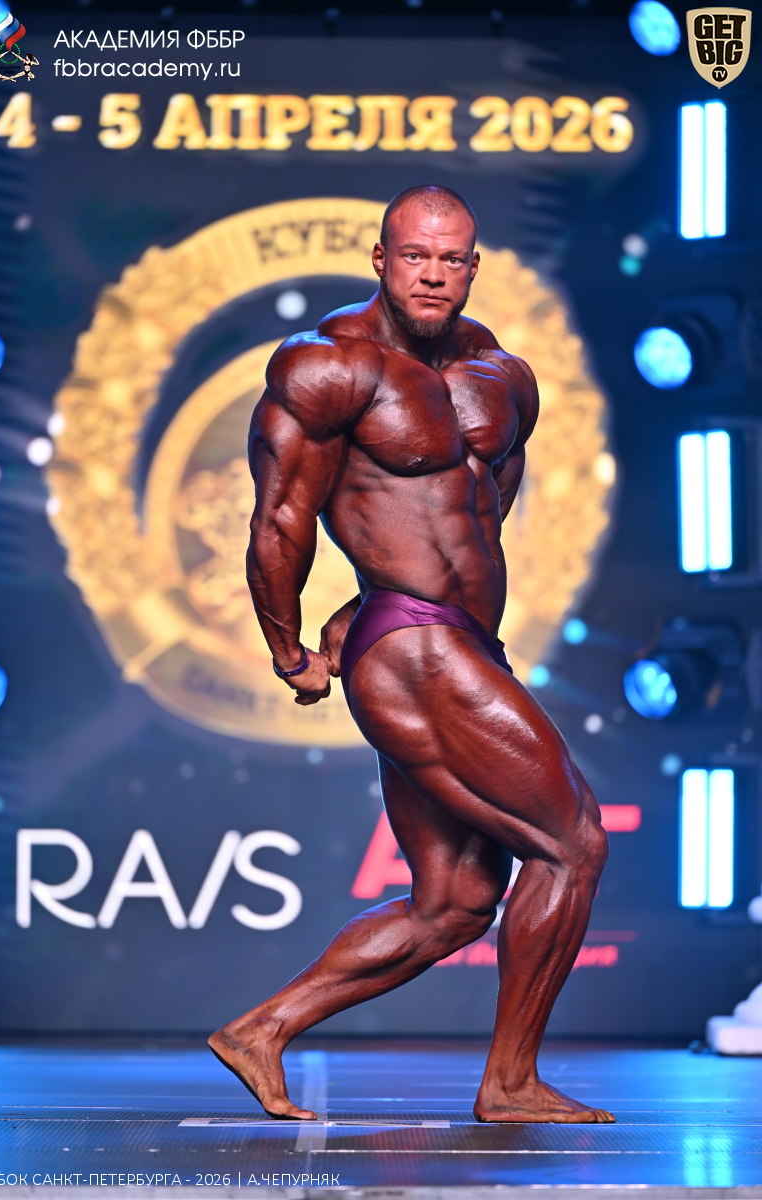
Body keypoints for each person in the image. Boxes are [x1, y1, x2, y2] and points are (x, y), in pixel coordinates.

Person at [209, 185, 613, 1125]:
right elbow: (280, 519)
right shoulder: (329, 365)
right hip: (413, 650)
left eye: (452, 259)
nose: (433, 274)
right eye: (416, 256)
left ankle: (262, 1029)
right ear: (381, 260)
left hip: (457, 637)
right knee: (573, 841)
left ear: (472, 267)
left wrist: (376, 595)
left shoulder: (501, 374)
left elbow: (481, 512)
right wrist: (290, 648)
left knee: (456, 902)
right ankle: (510, 1083)